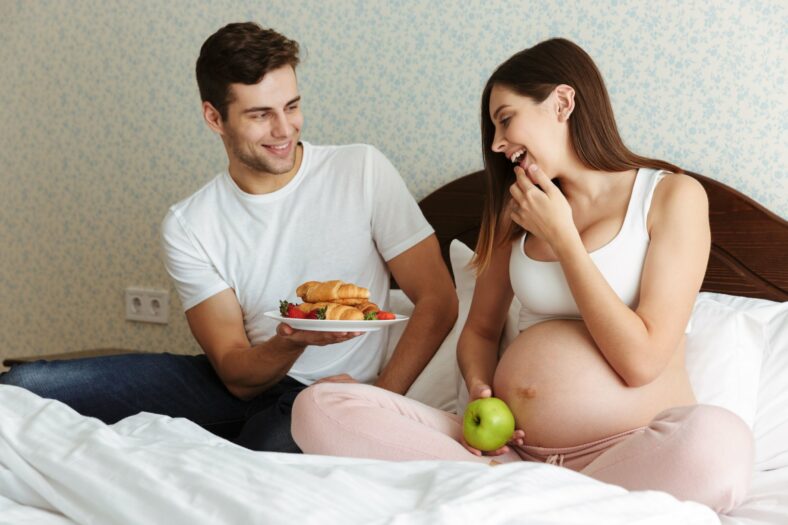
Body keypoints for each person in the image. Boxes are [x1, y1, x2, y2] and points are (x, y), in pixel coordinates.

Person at [290, 38, 754, 513]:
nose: (496, 144)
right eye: (493, 128)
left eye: (505, 119)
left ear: (563, 103)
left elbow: (641, 361)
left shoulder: (671, 197)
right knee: (320, 405)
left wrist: (564, 240)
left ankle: (519, 501)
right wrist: (477, 387)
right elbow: (481, 331)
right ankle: (538, 498)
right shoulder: (518, 211)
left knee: (719, 444)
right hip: (504, 456)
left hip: (627, 454)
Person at [0, 22, 458, 453]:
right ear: (214, 118)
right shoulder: (190, 223)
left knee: (259, 454)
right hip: (244, 382)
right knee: (24, 387)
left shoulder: (360, 170)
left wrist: (376, 401)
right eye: (261, 115)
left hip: (326, 399)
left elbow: (438, 299)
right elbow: (237, 374)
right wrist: (292, 339)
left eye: (292, 106)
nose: (284, 130)